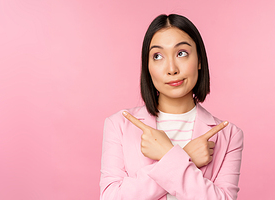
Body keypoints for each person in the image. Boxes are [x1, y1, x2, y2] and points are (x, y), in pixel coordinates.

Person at [100, 14, 244, 200]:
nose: (171, 69)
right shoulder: (118, 125)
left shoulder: (229, 135)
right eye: (158, 56)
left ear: (199, 60)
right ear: (148, 66)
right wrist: (183, 157)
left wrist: (168, 155)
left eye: (181, 53)